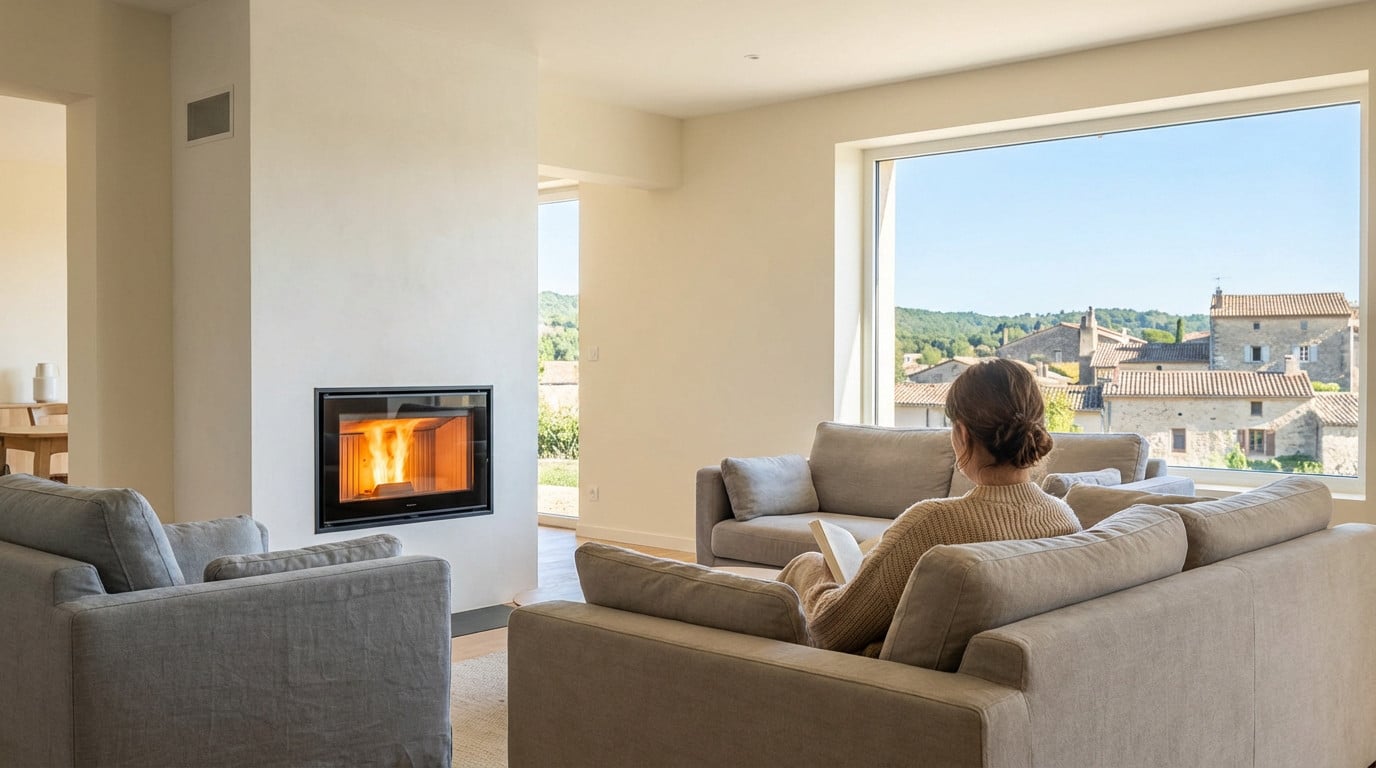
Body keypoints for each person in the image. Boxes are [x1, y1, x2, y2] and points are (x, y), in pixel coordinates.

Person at [778, 358, 1082, 654]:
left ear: (962, 434)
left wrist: (819, 574)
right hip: (980, 679)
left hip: (875, 680)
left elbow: (830, 630)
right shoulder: (1065, 521)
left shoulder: (933, 524)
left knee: (806, 567)